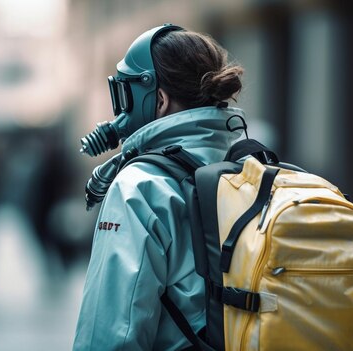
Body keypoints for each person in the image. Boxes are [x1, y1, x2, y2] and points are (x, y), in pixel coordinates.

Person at [73, 24, 244, 350]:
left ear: (160, 99)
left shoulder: (139, 188)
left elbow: (112, 334)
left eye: (127, 97)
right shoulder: (249, 169)